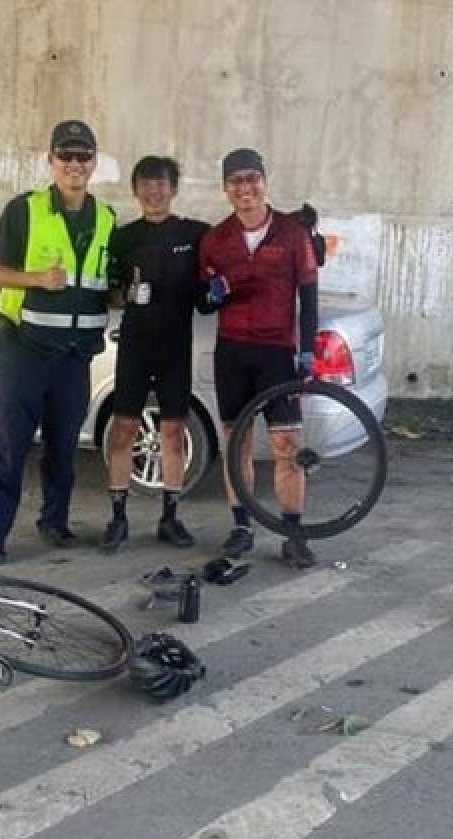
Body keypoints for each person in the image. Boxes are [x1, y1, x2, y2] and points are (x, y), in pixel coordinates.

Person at [0, 120, 116, 565]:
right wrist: (37, 279)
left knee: (64, 449)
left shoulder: (106, 218)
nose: (75, 164)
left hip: (74, 356)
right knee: (10, 446)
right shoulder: (25, 210)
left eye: (83, 155)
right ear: (51, 160)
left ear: (93, 162)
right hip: (24, 349)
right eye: (65, 155)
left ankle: (54, 523)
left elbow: (101, 282)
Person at [198, 147, 320, 568]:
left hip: (277, 352)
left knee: (288, 445)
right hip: (232, 351)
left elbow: (309, 295)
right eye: (236, 181)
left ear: (265, 183)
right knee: (237, 444)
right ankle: (241, 528)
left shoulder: (292, 233)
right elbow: (203, 302)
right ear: (225, 189)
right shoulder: (216, 239)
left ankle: (293, 533)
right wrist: (214, 294)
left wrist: (308, 352)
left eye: (252, 178)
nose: (245, 188)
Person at [100, 156, 209, 553]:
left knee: (173, 432)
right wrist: (124, 294)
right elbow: (110, 295)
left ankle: (170, 517)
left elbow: (223, 263)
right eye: (146, 184)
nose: (154, 192)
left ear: (173, 189)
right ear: (136, 191)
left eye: (161, 184)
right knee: (124, 428)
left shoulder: (195, 234)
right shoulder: (123, 237)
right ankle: (118, 517)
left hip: (175, 347)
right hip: (134, 346)